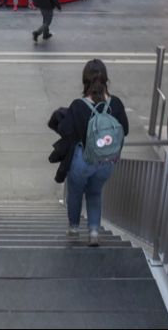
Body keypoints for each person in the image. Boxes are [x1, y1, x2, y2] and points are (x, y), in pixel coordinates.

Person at [54, 59, 128, 245]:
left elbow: (66, 130)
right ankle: (94, 232)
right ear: (105, 80)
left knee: (75, 193)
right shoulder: (115, 104)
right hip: (106, 162)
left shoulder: (78, 105)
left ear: (85, 81)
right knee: (95, 193)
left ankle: (73, 228)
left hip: (83, 161)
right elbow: (124, 129)